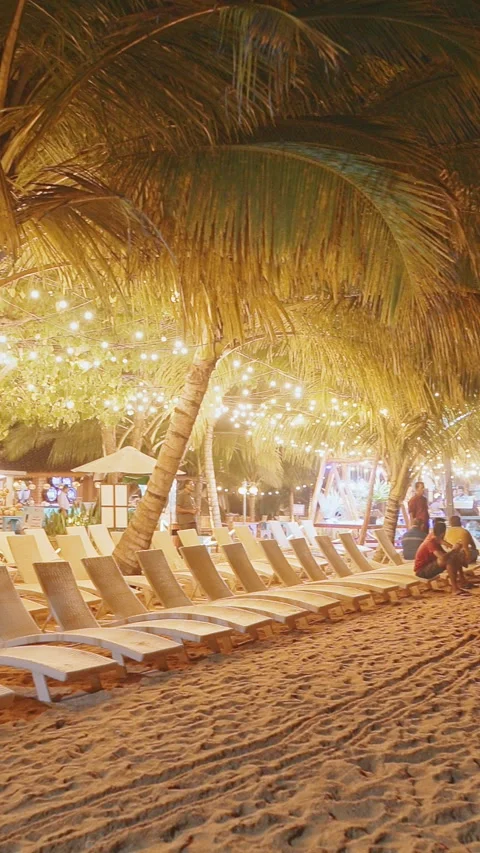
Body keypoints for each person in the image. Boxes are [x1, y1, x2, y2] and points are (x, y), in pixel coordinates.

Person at [414, 519, 470, 595]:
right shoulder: (430, 542)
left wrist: (457, 552)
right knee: (449, 559)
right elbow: (442, 558)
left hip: (428, 566)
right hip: (422, 571)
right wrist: (454, 550)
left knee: (453, 556)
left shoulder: (435, 538)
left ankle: (462, 581)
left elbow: (445, 546)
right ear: (443, 534)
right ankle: (454, 588)